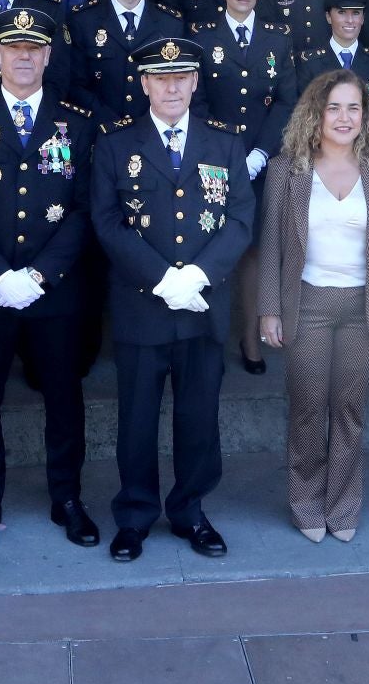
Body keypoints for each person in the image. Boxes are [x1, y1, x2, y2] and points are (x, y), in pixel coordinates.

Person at [0, 7, 99, 552]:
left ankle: (68, 499)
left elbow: (83, 210)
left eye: (34, 49)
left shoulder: (76, 122)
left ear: (49, 56)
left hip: (53, 292)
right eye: (14, 48)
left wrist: (39, 274)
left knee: (64, 400)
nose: (24, 57)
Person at [90, 37, 253, 562]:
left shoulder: (225, 143)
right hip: (143, 305)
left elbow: (241, 219)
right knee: (136, 418)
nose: (172, 87)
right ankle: (135, 515)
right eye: (161, 79)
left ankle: (190, 511)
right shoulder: (116, 144)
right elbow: (107, 221)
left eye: (181, 77)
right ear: (143, 84)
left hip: (203, 308)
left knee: (199, 417)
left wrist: (199, 276)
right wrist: (164, 280)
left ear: (195, 82)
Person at [257, 70, 369, 542]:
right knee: (307, 406)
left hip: (364, 305)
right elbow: (270, 246)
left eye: (354, 108)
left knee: (349, 408)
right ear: (315, 113)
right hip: (305, 304)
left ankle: (344, 505)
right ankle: (306, 500)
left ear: (366, 115)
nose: (344, 118)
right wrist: (269, 308)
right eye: (334, 107)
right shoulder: (287, 169)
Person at [189, 0, 299, 373]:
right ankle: (208, 340)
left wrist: (259, 152)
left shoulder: (277, 37)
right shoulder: (201, 35)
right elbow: (194, 101)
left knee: (254, 252)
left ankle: (251, 339)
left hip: (261, 163)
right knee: (210, 248)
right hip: (213, 163)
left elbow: (287, 99)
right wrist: (230, 155)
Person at [69, 0, 184, 127]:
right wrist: (111, 123)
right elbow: (75, 85)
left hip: (152, 136)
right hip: (100, 134)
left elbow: (178, 85)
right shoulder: (83, 21)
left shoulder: (171, 24)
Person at [296, 0, 369, 141]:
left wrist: (366, 149)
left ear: (363, 18)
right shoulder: (309, 64)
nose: (350, 20)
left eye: (356, 13)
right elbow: (304, 118)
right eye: (342, 12)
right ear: (329, 17)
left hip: (368, 155)